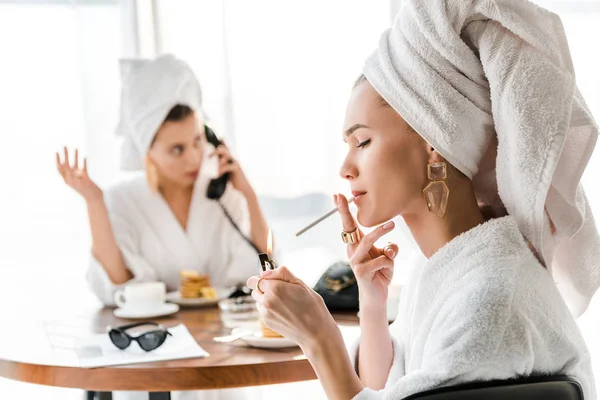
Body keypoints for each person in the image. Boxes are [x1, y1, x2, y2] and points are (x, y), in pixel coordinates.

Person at [247, 1, 599, 399]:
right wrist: (372, 304)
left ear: (434, 141)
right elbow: (381, 386)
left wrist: (317, 337)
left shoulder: (491, 301)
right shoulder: (450, 269)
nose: (345, 167)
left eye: (362, 141)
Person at [56, 54, 267, 400]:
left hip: (221, 356)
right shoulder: (122, 200)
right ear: (147, 151)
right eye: (176, 149)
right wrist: (94, 202)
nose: (193, 158)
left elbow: (259, 268)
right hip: (152, 357)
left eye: (199, 141)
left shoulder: (221, 193)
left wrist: (248, 193)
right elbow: (117, 287)